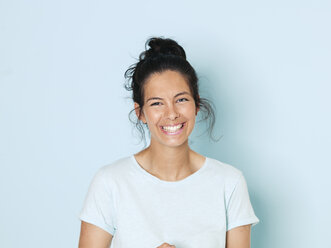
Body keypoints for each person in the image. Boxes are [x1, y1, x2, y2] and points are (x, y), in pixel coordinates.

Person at [78, 37, 259, 248]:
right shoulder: (110, 182)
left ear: (196, 104)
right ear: (140, 112)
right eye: (156, 103)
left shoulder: (229, 183)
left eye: (181, 100)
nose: (171, 114)